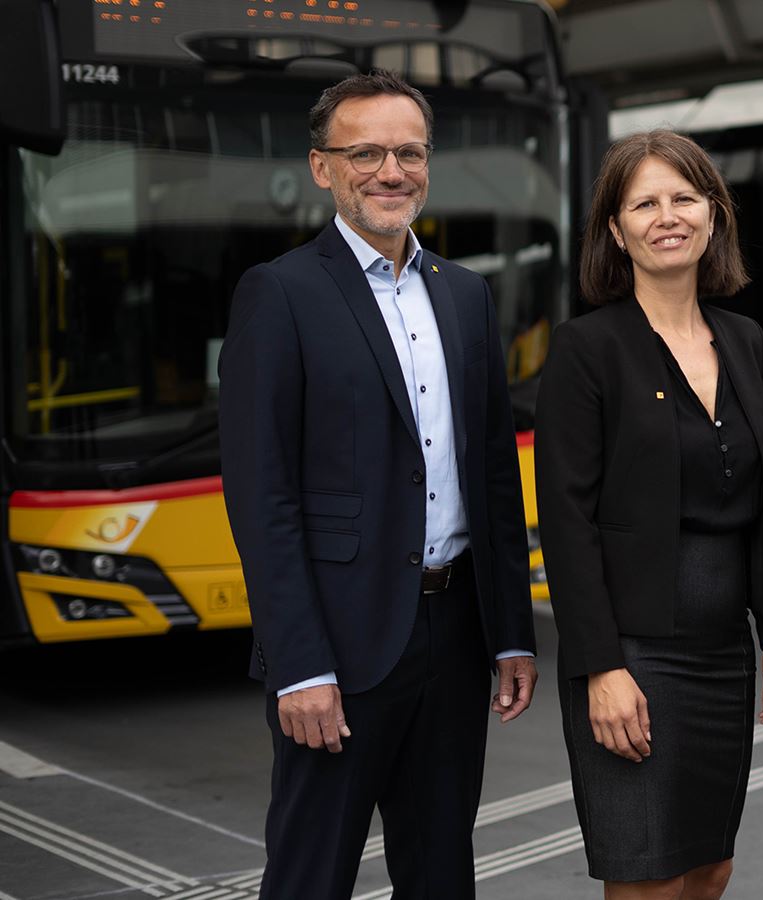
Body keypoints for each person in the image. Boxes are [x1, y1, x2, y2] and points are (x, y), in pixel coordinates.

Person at [219, 70, 537, 899]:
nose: (390, 171)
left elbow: (493, 479)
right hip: (340, 647)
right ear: (322, 167)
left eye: (408, 151)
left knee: (440, 874)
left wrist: (510, 632)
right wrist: (298, 666)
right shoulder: (280, 293)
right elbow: (263, 499)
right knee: (311, 875)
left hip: (457, 635)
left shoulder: (464, 295)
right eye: (365, 152)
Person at [534, 129, 763, 900]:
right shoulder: (587, 349)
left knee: (710, 868)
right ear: (615, 231)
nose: (668, 216)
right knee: (649, 878)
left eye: (684, 198)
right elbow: (566, 521)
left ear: (713, 215)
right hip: (634, 655)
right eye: (644, 203)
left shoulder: (745, 340)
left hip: (724, 656)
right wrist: (601, 667)